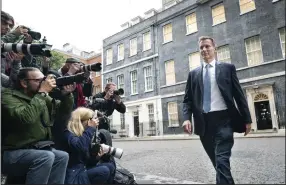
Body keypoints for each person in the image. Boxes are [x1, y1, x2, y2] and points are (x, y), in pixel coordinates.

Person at [182, 36, 252, 184]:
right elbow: (187, 100)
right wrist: (187, 118)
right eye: (201, 47)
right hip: (204, 124)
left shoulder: (227, 69)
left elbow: (239, 96)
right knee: (218, 164)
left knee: (221, 161)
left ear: (215, 48)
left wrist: (247, 120)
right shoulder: (193, 74)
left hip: (224, 121)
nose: (204, 49)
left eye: (207, 46)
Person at [2, 67, 75, 184]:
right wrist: (42, 92)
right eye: (38, 80)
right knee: (45, 157)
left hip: (35, 148)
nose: (43, 83)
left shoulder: (39, 97)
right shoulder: (7, 97)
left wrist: (66, 95)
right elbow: (26, 118)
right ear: (24, 83)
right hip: (11, 152)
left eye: (44, 80)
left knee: (62, 156)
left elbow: (61, 113)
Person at [63, 107, 115, 184]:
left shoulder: (83, 134)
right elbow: (80, 147)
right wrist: (90, 128)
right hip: (73, 175)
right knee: (104, 171)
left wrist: (96, 158)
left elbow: (86, 161)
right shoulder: (68, 134)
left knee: (110, 166)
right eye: (90, 120)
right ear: (82, 120)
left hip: (82, 169)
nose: (93, 122)